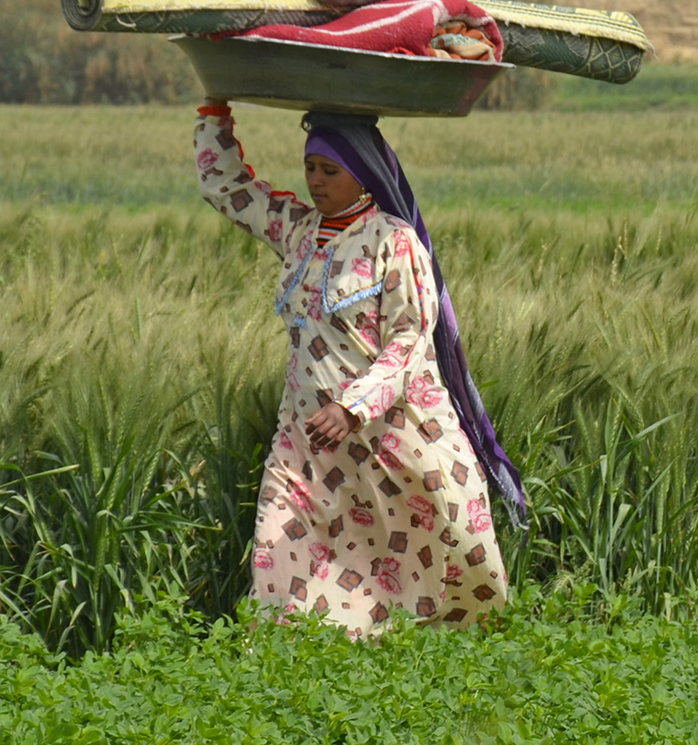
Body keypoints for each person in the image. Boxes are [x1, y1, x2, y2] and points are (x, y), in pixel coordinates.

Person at [193, 102, 521, 635]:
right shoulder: (297, 231)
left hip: (393, 440)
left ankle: (435, 665)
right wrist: (214, 110)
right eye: (310, 169)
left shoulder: (394, 242)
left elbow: (410, 340)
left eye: (330, 171)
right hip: (307, 446)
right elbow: (226, 190)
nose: (316, 182)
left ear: (363, 174)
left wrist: (353, 407)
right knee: (279, 556)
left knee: (449, 552)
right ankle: (280, 670)